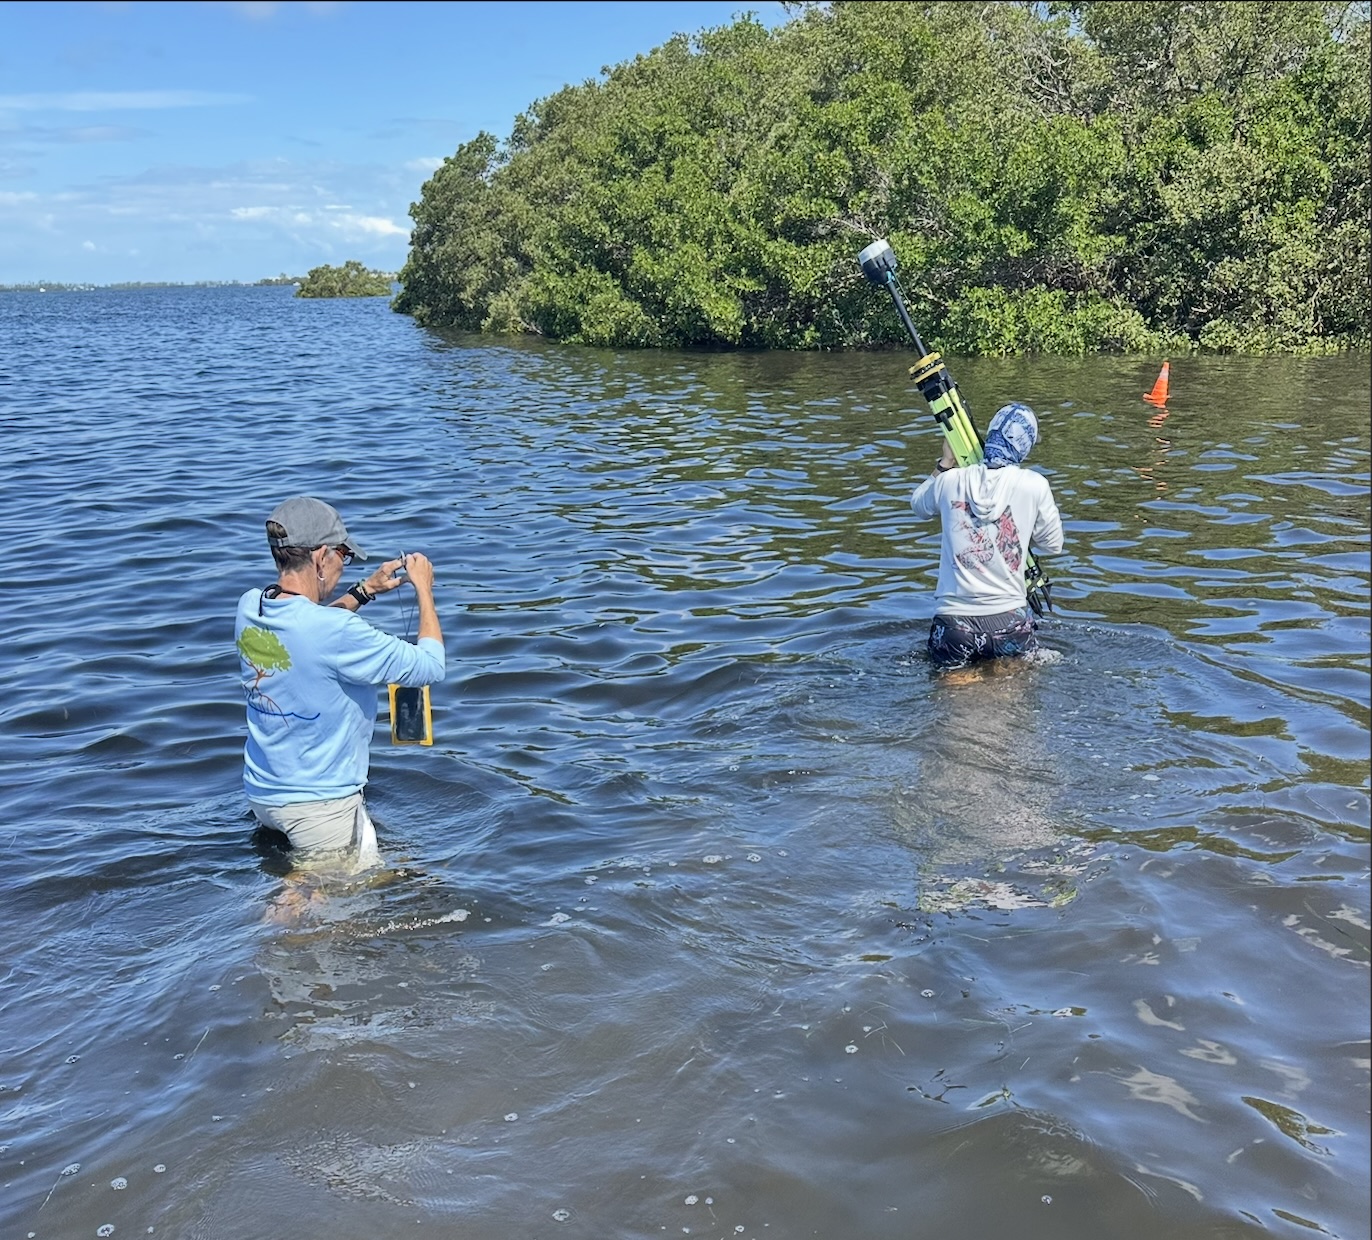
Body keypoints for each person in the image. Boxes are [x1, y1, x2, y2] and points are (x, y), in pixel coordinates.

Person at [234, 495, 445, 873]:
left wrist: (364, 592)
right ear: (320, 558)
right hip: (321, 810)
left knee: (305, 890)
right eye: (342, 557)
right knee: (339, 912)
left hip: (263, 797)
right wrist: (424, 590)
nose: (342, 569)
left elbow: (310, 632)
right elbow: (430, 666)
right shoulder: (337, 631)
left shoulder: (250, 607)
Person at [909, 402, 1063, 669]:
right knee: (1009, 703)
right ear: (1023, 447)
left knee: (955, 706)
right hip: (1009, 623)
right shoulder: (1035, 485)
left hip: (954, 624)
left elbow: (918, 505)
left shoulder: (949, 481)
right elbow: (1053, 544)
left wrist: (945, 463)